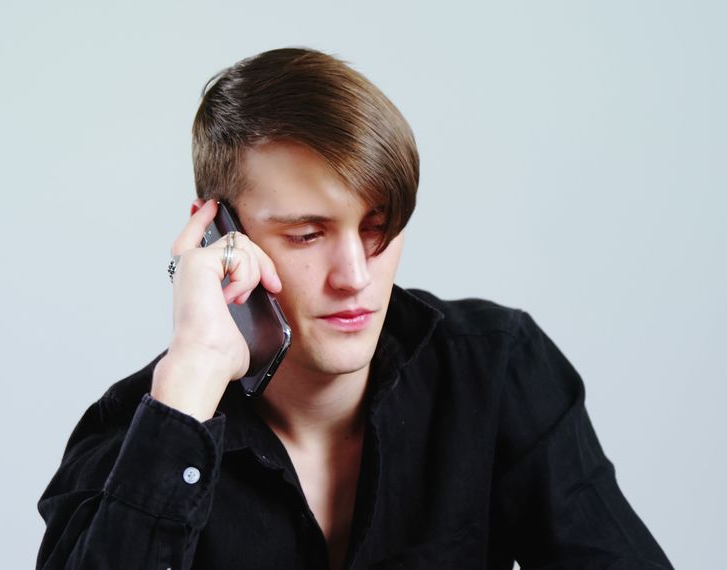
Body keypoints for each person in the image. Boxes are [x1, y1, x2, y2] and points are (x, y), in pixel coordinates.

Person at [37, 47, 672, 570]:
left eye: (377, 228)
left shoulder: (495, 367)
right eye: (307, 235)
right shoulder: (133, 440)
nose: (356, 276)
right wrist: (194, 372)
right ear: (219, 237)